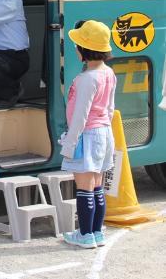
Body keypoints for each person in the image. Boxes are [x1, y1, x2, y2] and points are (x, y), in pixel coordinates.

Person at [59, 20, 116, 249]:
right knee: (97, 187)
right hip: (104, 132)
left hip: (87, 135)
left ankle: (84, 235)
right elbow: (110, 108)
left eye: (77, 44)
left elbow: (80, 116)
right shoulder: (109, 73)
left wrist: (70, 143)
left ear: (84, 49)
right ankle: (95, 233)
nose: (75, 49)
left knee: (84, 188)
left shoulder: (86, 79)